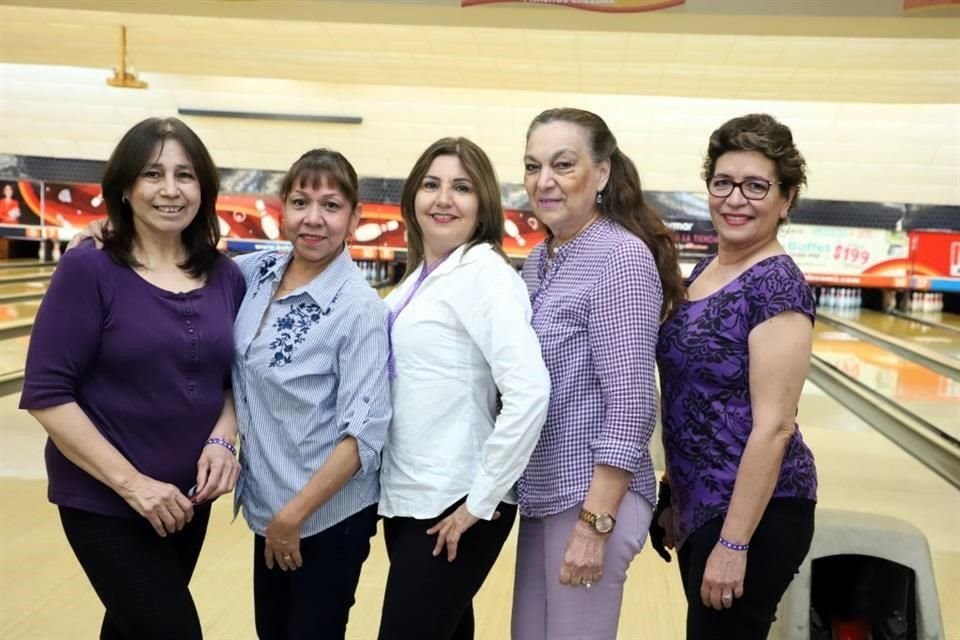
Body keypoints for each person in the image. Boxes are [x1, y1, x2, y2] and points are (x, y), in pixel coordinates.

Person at [19, 117, 245, 640]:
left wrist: (224, 437)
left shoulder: (226, 275)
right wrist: (134, 485)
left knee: (129, 631)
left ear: (204, 189)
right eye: (152, 174)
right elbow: (47, 394)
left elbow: (233, 377)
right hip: (105, 500)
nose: (170, 189)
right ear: (125, 187)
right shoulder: (88, 269)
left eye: (185, 175)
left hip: (187, 501)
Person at [512, 107, 685, 640]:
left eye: (563, 165)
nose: (545, 181)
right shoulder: (541, 260)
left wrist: (594, 524)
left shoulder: (620, 258)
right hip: (544, 492)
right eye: (532, 166)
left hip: (591, 499)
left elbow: (632, 401)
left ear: (603, 173)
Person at [377, 137, 550, 640]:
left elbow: (530, 391)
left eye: (461, 187)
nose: (443, 198)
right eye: (431, 185)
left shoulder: (485, 274)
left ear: (483, 205)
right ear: (413, 196)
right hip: (411, 496)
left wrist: (481, 500)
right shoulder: (417, 281)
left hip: (457, 499)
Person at [653, 113, 818, 639]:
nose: (735, 199)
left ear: (786, 198)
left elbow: (774, 426)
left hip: (758, 514)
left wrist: (734, 542)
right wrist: (675, 489)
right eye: (722, 183)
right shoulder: (707, 269)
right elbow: (699, 395)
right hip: (705, 504)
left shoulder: (777, 286)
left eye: (755, 186)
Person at [231, 149, 391, 640]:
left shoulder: (359, 309)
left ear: (354, 217)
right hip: (268, 509)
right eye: (301, 202)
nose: (313, 219)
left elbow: (364, 435)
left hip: (325, 518)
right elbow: (179, 260)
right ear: (282, 207)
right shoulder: (256, 272)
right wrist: (101, 238)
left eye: (331, 205)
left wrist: (293, 516)